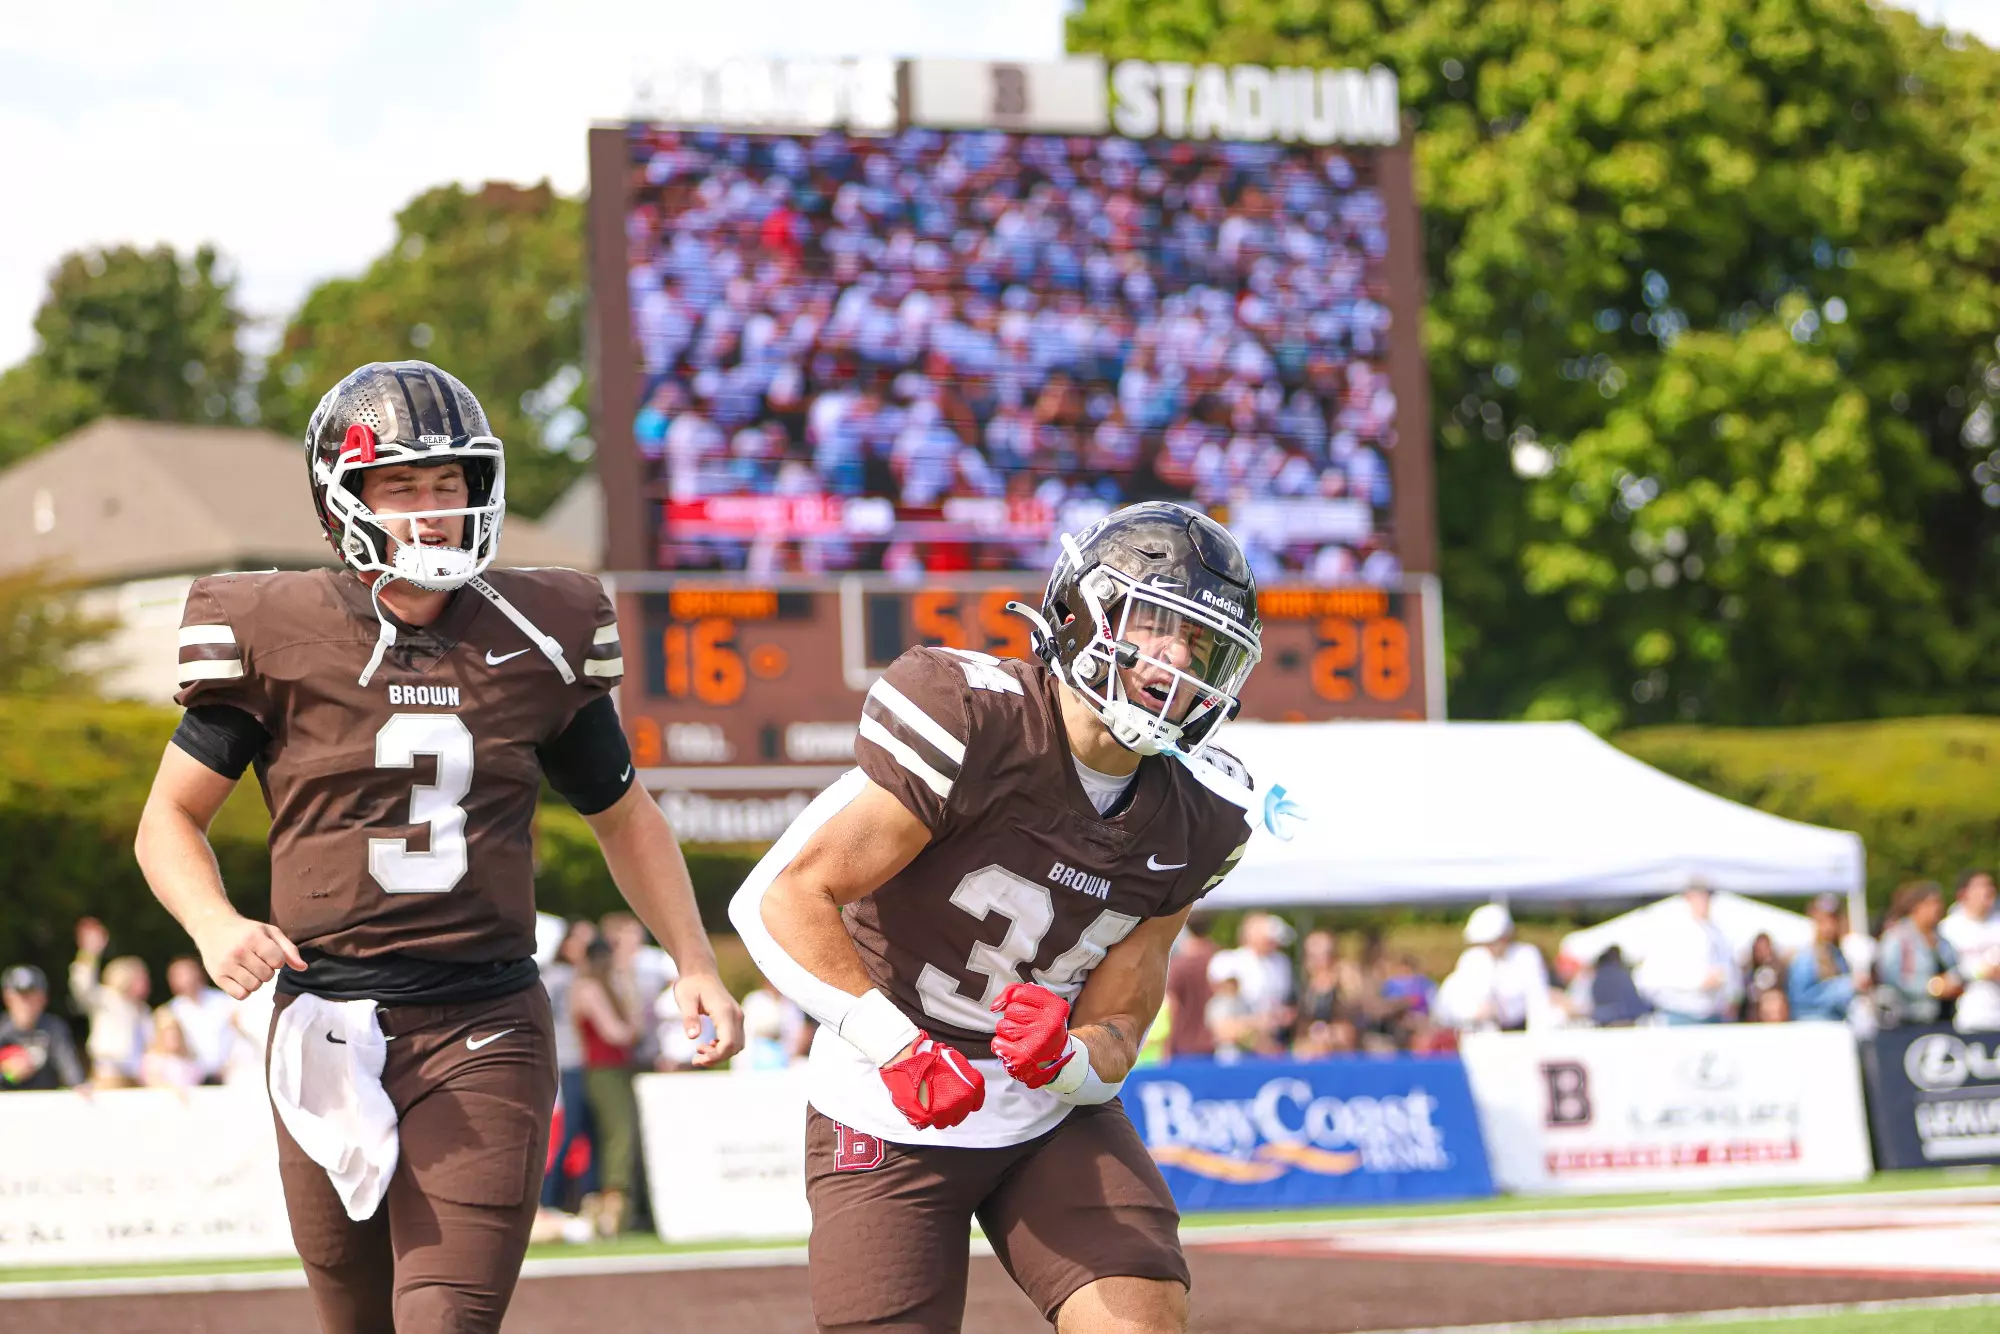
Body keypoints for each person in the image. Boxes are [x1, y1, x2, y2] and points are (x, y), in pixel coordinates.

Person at [134, 360, 742, 1334]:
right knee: (356, 1318)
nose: (432, 509)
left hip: (483, 1019)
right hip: (322, 1021)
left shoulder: (542, 630)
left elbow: (625, 813)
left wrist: (695, 960)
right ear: (344, 500)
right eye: (403, 485)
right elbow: (168, 817)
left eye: (449, 484)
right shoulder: (275, 631)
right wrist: (211, 922)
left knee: (445, 1315)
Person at [731, 501, 1263, 1333]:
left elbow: (1122, 1017)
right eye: (1157, 624)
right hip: (888, 1098)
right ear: (1081, 610)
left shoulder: (1203, 811)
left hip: (1044, 1114)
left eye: (1200, 645)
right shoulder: (972, 718)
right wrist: (899, 1049)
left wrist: (1067, 1061)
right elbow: (780, 900)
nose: (1176, 662)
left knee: (1143, 1321)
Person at [570, 936, 641, 1238]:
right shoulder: (589, 988)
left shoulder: (594, 986)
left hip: (609, 1067)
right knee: (619, 1132)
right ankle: (615, 1196)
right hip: (603, 1069)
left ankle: (613, 1199)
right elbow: (618, 1033)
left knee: (615, 1133)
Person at [1634, 882, 1740, 1024]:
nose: (1705, 902)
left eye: (1708, 896)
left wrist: (1732, 995)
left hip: (1714, 1017)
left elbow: (1730, 971)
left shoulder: (1717, 933)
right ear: (1687, 898)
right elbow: (1647, 979)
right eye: (1699, 896)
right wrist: (1698, 981)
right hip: (1679, 1017)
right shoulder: (1668, 931)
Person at [1435, 904, 1551, 1032]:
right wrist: (1472, 1012)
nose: (1490, 947)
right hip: (1479, 1032)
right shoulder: (1472, 959)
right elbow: (1456, 999)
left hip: (1520, 1030)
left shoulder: (1526, 956)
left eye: (1494, 941)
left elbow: (1537, 1001)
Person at [68, 918, 151, 1088]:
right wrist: (88, 953)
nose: (146, 983)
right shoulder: (107, 999)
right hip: (110, 1074)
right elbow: (82, 986)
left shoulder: (144, 1010)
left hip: (139, 1077)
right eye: (140, 978)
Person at [1876, 880, 1962, 1027]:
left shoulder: (1942, 940)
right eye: (1932, 903)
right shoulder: (1897, 937)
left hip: (1944, 1016)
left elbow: (1955, 969)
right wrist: (1931, 987)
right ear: (1916, 906)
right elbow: (1890, 975)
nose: (1937, 908)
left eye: (1939, 903)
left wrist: (1952, 984)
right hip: (1908, 1017)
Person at [0, 965, 86, 1092]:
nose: (26, 1003)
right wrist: (7, 1073)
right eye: (21, 996)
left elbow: (70, 1069)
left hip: (45, 1105)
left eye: (32, 996)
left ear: (43, 998)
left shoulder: (53, 1027)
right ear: (7, 998)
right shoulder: (2, 1029)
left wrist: (79, 1085)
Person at [1940, 870, 2000, 1031]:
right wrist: (1981, 972)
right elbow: (1946, 972)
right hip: (1969, 1014)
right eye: (1980, 886)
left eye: (1990, 886)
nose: (1988, 891)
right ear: (1963, 893)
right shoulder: (1949, 928)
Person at [165, 955, 236, 1084]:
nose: (186, 979)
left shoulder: (223, 1001)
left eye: (188, 973)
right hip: (192, 1079)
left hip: (229, 1074)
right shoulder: (172, 1011)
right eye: (179, 975)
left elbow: (237, 1036)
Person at [1788, 893, 1858, 1022]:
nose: (1830, 926)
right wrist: (1846, 986)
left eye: (1834, 920)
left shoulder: (1837, 955)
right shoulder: (1806, 958)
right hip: (1814, 1028)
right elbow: (1800, 999)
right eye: (1825, 920)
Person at [1161, 915, 1219, 1060]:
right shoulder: (1218, 958)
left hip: (1185, 1042)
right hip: (1215, 1040)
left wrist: (1167, 1045)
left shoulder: (1180, 964)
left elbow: (1172, 1006)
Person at [1740, 934, 1785, 1023]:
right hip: (1752, 1017)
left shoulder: (1778, 968)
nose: (1761, 952)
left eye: (1764, 948)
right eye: (1758, 949)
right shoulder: (1749, 971)